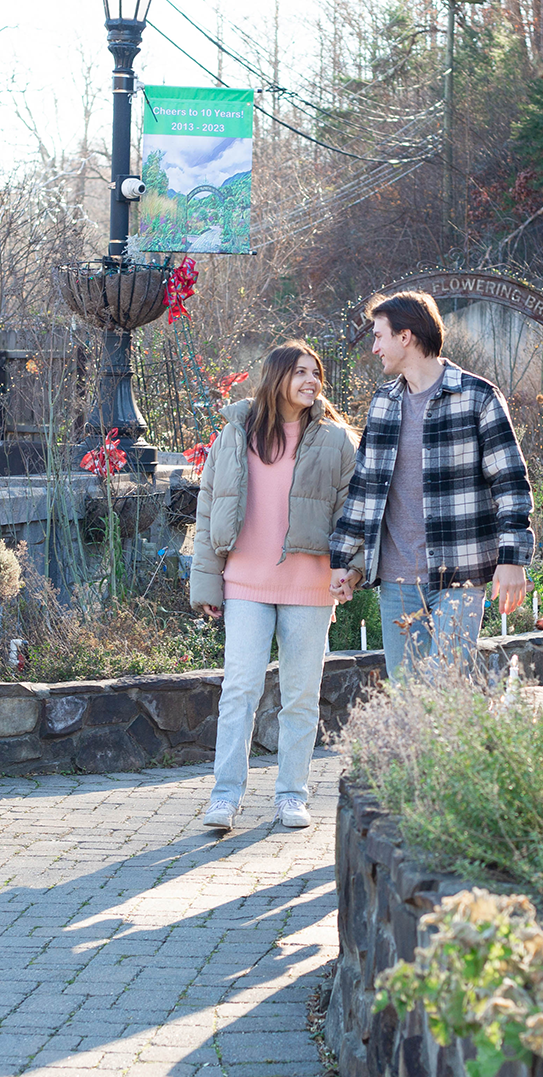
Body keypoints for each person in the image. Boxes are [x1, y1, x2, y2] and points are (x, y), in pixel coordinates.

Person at [190, 341, 357, 831]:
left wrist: (350, 568)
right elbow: (208, 507)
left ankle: (291, 795)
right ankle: (225, 797)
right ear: (277, 377)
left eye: (316, 373)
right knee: (239, 689)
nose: (312, 381)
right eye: (301, 372)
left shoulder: (337, 440)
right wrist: (207, 583)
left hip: (310, 587)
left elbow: (354, 512)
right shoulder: (235, 434)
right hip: (244, 582)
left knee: (300, 696)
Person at [328, 290, 534, 678]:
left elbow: (510, 483)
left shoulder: (477, 397)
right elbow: (364, 490)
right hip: (397, 581)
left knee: (447, 693)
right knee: (408, 697)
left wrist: (512, 559)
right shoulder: (384, 403)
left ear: (405, 337)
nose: (375, 348)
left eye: (378, 336)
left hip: (461, 573)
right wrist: (344, 560)